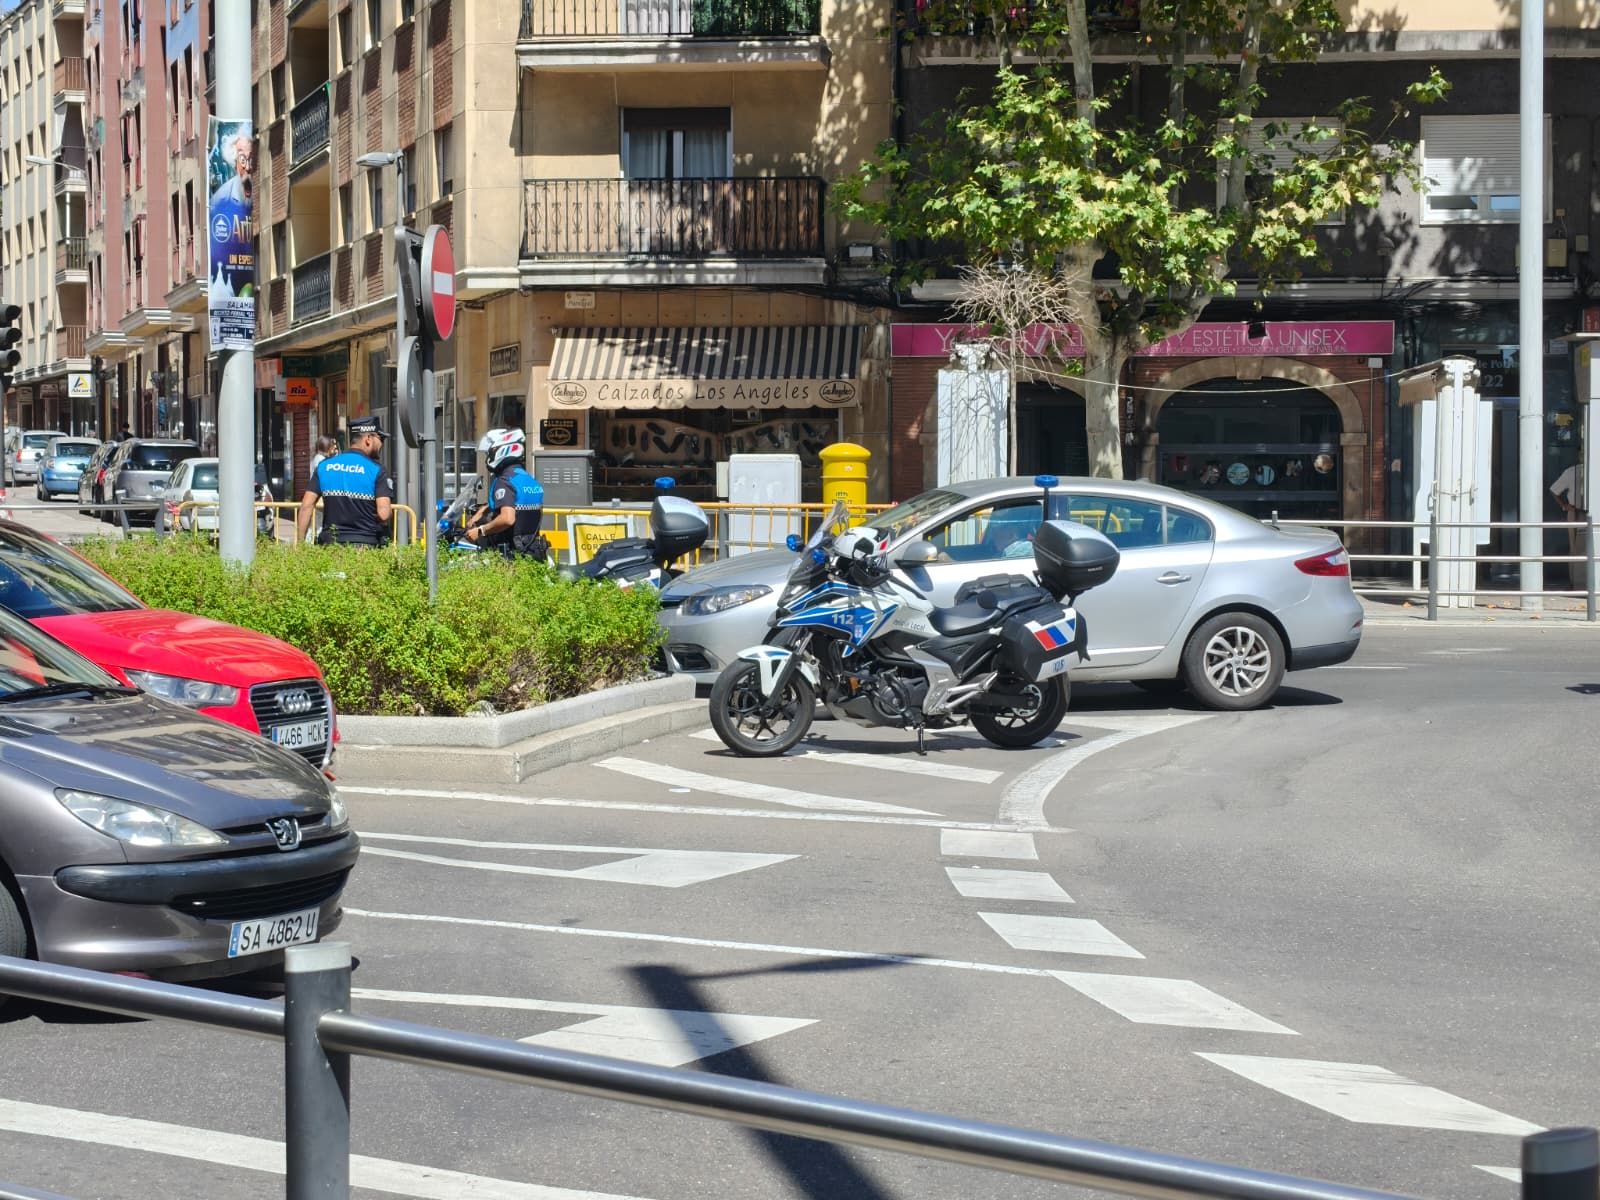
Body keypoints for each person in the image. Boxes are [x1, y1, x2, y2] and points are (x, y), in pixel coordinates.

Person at [295, 415, 394, 546]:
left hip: (330, 544)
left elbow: (306, 506)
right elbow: (384, 514)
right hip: (365, 545)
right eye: (380, 438)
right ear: (368, 439)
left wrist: (300, 544)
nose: (381, 443)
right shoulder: (376, 470)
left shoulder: (324, 466)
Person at [463, 429, 546, 560]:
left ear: (502, 451)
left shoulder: (504, 481)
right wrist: (482, 511)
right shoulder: (528, 480)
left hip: (508, 555)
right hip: (530, 549)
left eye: (489, 453)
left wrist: (480, 530)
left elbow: (508, 518)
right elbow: (515, 503)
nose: (487, 458)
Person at [1550, 462, 1589, 590]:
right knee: (1575, 548)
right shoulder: (1572, 471)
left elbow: (1554, 490)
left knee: (1579, 548)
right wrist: (1564, 506)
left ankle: (1581, 582)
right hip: (1576, 512)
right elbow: (1554, 490)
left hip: (1587, 511)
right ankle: (1576, 583)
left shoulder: (1577, 470)